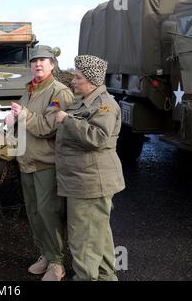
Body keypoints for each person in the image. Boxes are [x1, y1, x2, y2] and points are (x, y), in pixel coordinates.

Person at [5, 45, 74, 281]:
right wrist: (12, 119)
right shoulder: (30, 90)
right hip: (27, 161)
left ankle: (56, 262)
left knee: (48, 213)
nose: (38, 64)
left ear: (52, 64)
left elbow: (48, 127)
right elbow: (25, 122)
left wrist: (23, 114)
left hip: (45, 162)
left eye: (43, 60)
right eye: (34, 61)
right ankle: (44, 254)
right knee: (34, 213)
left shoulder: (59, 92)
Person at [55, 55, 125, 281]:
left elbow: (98, 137)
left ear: (92, 80)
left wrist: (68, 121)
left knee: (83, 239)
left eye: (78, 77)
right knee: (99, 235)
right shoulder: (83, 100)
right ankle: (106, 277)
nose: (73, 81)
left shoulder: (105, 104)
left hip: (91, 182)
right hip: (84, 179)